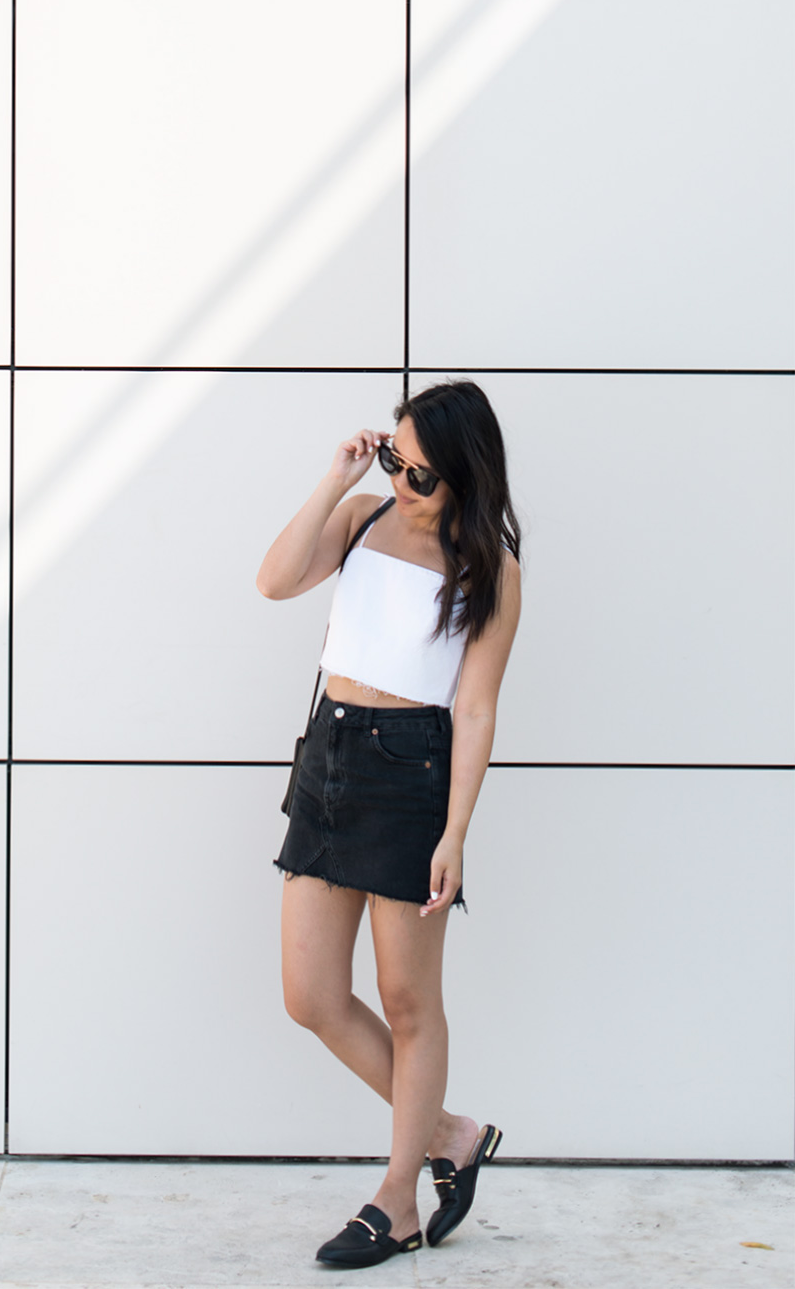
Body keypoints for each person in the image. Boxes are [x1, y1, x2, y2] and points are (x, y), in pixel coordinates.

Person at [256, 379, 522, 1267]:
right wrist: (336, 479)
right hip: (329, 754)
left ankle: (398, 1198)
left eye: (424, 474)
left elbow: (476, 710)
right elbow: (274, 580)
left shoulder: (490, 569)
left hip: (415, 773)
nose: (405, 482)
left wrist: (456, 832)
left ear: (465, 475)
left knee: (410, 1003)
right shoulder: (364, 516)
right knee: (312, 995)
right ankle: (450, 1134)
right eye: (395, 460)